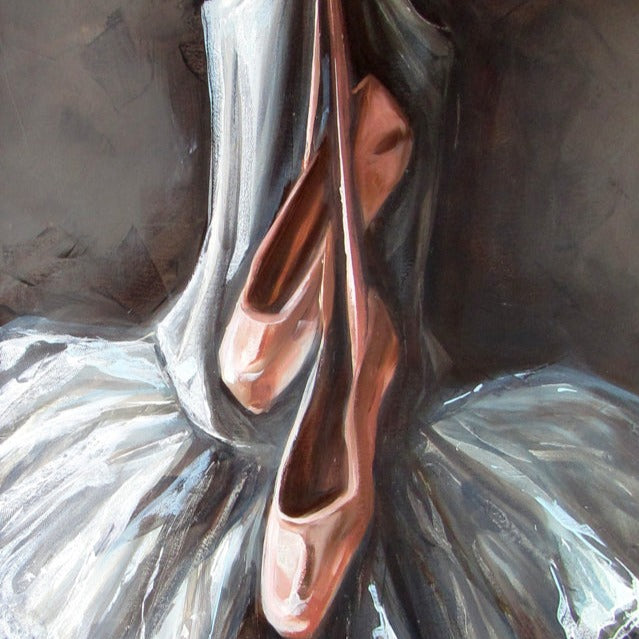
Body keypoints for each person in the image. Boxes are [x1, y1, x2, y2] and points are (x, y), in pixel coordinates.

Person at [0, 1, 637, 637]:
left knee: (251, 371)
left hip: (310, 373)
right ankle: (354, 232)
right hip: (215, 354)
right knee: (244, 378)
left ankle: (346, 333)